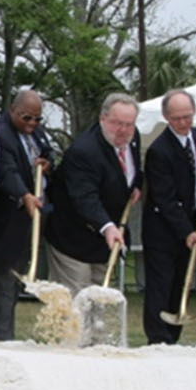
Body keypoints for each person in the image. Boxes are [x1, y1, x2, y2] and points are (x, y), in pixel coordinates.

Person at [45, 93, 141, 298]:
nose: (123, 130)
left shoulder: (133, 138)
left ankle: (94, 332)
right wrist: (107, 226)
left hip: (103, 243)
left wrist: (135, 186)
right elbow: (85, 198)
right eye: (116, 123)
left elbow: (132, 171)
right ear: (102, 119)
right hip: (72, 237)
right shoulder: (84, 152)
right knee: (75, 305)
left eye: (129, 124)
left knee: (98, 302)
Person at [141, 89, 196, 344]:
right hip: (163, 229)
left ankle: (173, 338)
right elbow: (165, 198)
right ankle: (158, 339)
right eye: (177, 118)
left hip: (190, 222)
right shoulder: (159, 151)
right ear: (166, 117)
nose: (183, 123)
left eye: (187, 116)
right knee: (162, 284)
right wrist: (186, 231)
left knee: (181, 283)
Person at [0, 89, 54, 341]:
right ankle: (1, 339)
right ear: (13, 111)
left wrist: (47, 166)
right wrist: (24, 194)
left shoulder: (35, 132)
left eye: (37, 119)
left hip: (33, 220)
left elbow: (48, 154)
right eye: (26, 118)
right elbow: (7, 171)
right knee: (3, 281)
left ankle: (7, 336)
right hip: (8, 221)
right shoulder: (1, 133)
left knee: (17, 282)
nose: (32, 124)